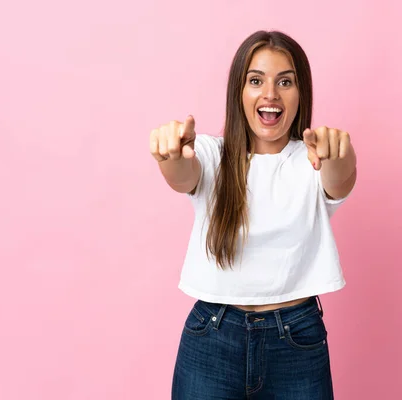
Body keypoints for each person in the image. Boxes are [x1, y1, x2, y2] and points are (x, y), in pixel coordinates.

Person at [149, 30, 357, 400]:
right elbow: (183, 176)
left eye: (285, 82)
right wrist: (170, 155)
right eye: (256, 80)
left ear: (300, 93)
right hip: (212, 338)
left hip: (296, 341)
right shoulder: (214, 154)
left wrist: (340, 155)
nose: (270, 94)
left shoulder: (312, 160)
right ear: (239, 92)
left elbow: (340, 178)